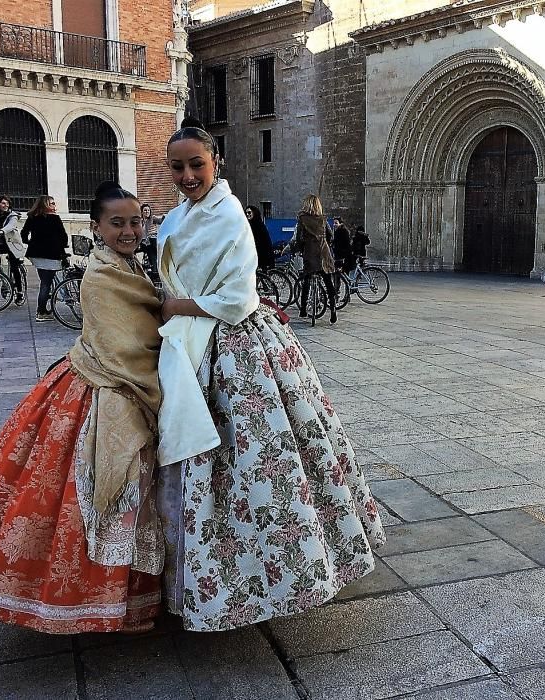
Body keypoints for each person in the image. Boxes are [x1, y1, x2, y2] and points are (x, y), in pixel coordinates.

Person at [154, 117, 385, 632]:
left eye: (197, 164)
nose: (188, 174)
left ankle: (271, 570)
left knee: (256, 454)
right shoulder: (178, 215)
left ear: (215, 162)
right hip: (184, 339)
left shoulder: (229, 212)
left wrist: (176, 306)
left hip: (232, 342)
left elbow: (237, 295)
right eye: (179, 167)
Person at [0, 182, 165, 634]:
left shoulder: (125, 264)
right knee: (96, 489)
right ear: (95, 227)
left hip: (97, 377)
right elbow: (125, 347)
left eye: (135, 221)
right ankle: (89, 597)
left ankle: (126, 596)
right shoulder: (101, 276)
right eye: (117, 223)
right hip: (109, 385)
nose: (129, 230)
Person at [289, 194, 338, 323]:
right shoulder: (323, 219)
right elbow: (330, 235)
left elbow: (299, 238)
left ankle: (304, 308)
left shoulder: (302, 218)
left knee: (307, 278)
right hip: (324, 253)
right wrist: (325, 243)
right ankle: (333, 310)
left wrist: (299, 249)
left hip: (310, 253)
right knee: (328, 282)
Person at [21, 195, 68, 322]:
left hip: (36, 253)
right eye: (52, 203)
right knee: (46, 284)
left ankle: (43, 309)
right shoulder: (55, 219)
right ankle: (41, 311)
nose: (54, 206)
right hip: (51, 254)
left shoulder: (32, 218)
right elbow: (63, 236)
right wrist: (63, 246)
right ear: (45, 205)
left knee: (44, 281)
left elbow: (23, 234)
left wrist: (30, 242)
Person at [0, 196, 26, 305]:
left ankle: (20, 292)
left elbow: (10, 226)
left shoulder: (12, 215)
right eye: (3, 203)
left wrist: (1, 232)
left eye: (7, 204)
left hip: (12, 244)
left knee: (15, 268)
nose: (6, 206)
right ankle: (4, 282)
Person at [246, 204, 275, 271]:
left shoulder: (260, 226)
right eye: (246, 213)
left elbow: (266, 242)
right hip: (252, 255)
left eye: (249, 212)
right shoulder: (248, 226)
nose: (247, 214)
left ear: (254, 213)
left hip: (260, 255)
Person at [139, 203, 164, 278]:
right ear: (142, 212)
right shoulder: (140, 221)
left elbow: (160, 220)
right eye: (145, 210)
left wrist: (165, 217)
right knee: (149, 249)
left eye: (148, 210)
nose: (147, 212)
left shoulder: (153, 218)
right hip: (144, 242)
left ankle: (156, 270)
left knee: (152, 245)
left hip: (153, 240)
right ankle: (154, 270)